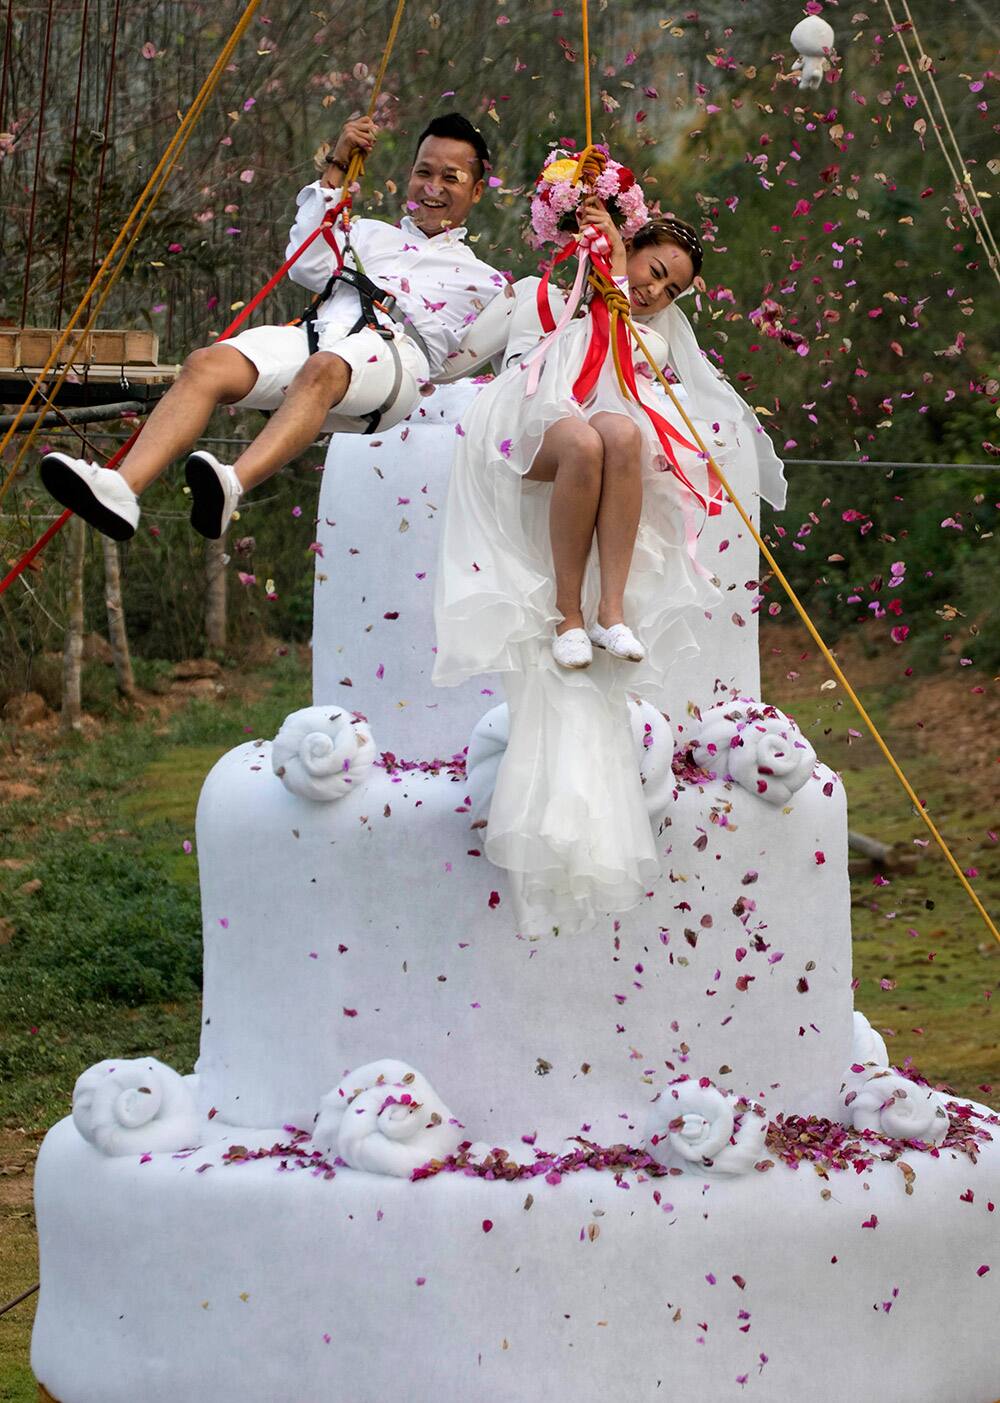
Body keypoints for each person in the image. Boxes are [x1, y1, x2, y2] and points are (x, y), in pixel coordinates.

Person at [433, 183, 782, 937]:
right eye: (653, 268)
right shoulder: (545, 297)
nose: (656, 289)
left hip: (594, 419)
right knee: (587, 438)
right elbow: (467, 356)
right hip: (526, 422)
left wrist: (621, 280)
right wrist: (602, 255)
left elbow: (622, 364)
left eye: (671, 286)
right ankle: (567, 611)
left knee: (618, 437)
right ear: (626, 247)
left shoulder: (646, 335)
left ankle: (608, 613)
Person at [39, 112, 506, 542]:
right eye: (424, 172)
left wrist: (577, 223)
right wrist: (339, 164)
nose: (433, 187)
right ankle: (122, 489)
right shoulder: (366, 233)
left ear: (477, 191)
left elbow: (529, 335)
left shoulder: (486, 282)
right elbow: (306, 263)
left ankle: (233, 484)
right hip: (322, 333)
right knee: (207, 365)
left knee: (324, 367)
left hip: (395, 360)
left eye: (452, 177)